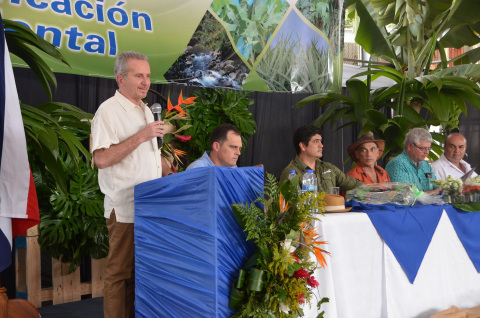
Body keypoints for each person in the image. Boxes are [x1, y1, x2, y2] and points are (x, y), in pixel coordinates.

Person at [91, 51, 164, 318]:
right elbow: (101, 158)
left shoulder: (146, 110)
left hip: (148, 207)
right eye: (138, 76)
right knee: (118, 274)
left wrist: (168, 169)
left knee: (137, 274)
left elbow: (143, 157)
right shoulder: (108, 111)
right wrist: (143, 135)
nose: (146, 82)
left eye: (147, 76)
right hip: (124, 208)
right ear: (120, 78)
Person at [279, 125, 362, 193]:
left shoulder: (328, 167)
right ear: (303, 146)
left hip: (333, 213)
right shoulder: (291, 173)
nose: (321, 145)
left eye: (321, 141)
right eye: (316, 141)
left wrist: (373, 189)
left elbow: (357, 185)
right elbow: (294, 205)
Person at [385, 128, 440, 194]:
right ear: (410, 146)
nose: (427, 152)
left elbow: (437, 186)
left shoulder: (425, 165)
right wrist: (433, 192)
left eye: (429, 149)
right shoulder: (397, 164)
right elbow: (405, 195)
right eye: (422, 148)